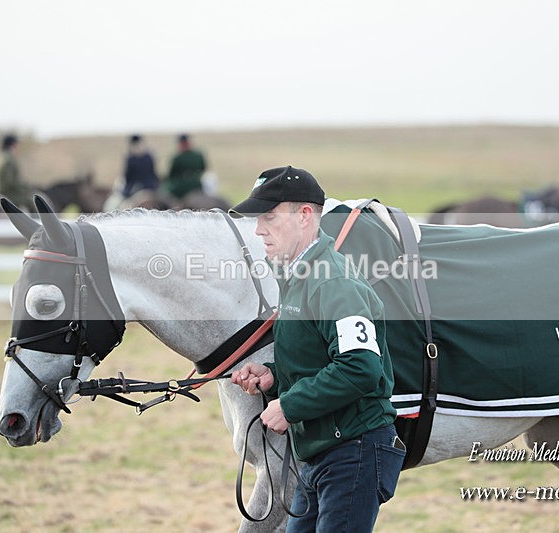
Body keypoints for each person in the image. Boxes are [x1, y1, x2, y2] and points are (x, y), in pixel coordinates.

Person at [229, 166, 405, 532]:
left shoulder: (332, 281)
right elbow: (321, 358)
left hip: (353, 452)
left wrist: (290, 406)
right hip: (320, 454)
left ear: (305, 216)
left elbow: (361, 367)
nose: (259, 229)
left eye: (269, 217)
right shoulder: (297, 275)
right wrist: (273, 377)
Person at [165, 133, 207, 200]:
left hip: (180, 187)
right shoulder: (198, 155)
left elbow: (171, 175)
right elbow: (203, 169)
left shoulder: (178, 157)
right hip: (197, 185)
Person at [0, 134, 32, 209]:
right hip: (9, 194)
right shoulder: (9, 160)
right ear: (13, 145)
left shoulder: (1, 157)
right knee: (32, 202)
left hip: (1, 192)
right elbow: (11, 182)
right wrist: (26, 187)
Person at [122, 134, 160, 198]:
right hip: (150, 186)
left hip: (135, 187)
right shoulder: (149, 156)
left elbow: (127, 176)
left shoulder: (130, 158)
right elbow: (154, 173)